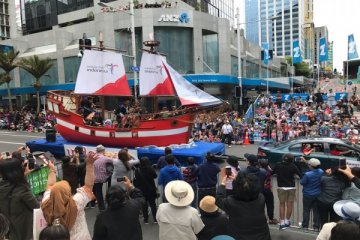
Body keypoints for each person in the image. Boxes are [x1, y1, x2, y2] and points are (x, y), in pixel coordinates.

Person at [41, 152, 97, 240]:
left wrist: (52, 169)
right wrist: (90, 165)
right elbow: (88, 186)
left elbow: (50, 186)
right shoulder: (76, 203)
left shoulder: (46, 203)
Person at [216, 173, 271, 240]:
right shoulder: (261, 198)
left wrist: (223, 184)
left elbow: (218, 199)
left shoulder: (231, 202)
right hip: (262, 236)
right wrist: (239, 182)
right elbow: (249, 190)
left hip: (238, 236)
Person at [0, 158, 39, 240]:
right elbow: (36, 206)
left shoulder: (2, 187)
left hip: (8, 225)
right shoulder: (22, 189)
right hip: (24, 227)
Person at [272, 153, 303, 230]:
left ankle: (282, 223)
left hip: (281, 187)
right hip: (291, 187)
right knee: (290, 205)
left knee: (282, 204)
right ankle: (287, 221)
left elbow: (272, 172)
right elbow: (300, 174)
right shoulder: (293, 166)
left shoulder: (278, 164)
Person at [300, 158, 324, 231]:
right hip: (318, 194)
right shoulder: (321, 171)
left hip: (307, 194)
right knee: (316, 211)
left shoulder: (307, 174)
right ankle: (316, 227)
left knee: (306, 210)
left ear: (311, 166)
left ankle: (305, 226)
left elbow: (302, 182)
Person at [133, 157, 158, 224]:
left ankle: (146, 219)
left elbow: (136, 180)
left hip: (142, 190)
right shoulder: (150, 169)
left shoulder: (137, 170)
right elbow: (155, 176)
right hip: (151, 189)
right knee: (153, 204)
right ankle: (155, 219)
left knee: (144, 205)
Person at [93, 145, 115, 211]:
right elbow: (114, 161)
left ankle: (101, 208)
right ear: (103, 151)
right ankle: (109, 198)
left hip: (95, 178)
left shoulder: (93, 158)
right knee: (111, 177)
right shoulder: (105, 158)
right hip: (105, 178)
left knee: (98, 192)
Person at [259, 159, 278, 224]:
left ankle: (260, 218)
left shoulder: (258, 171)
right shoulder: (268, 171)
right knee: (270, 205)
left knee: (260, 204)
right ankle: (271, 218)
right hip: (267, 190)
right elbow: (273, 171)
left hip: (260, 190)